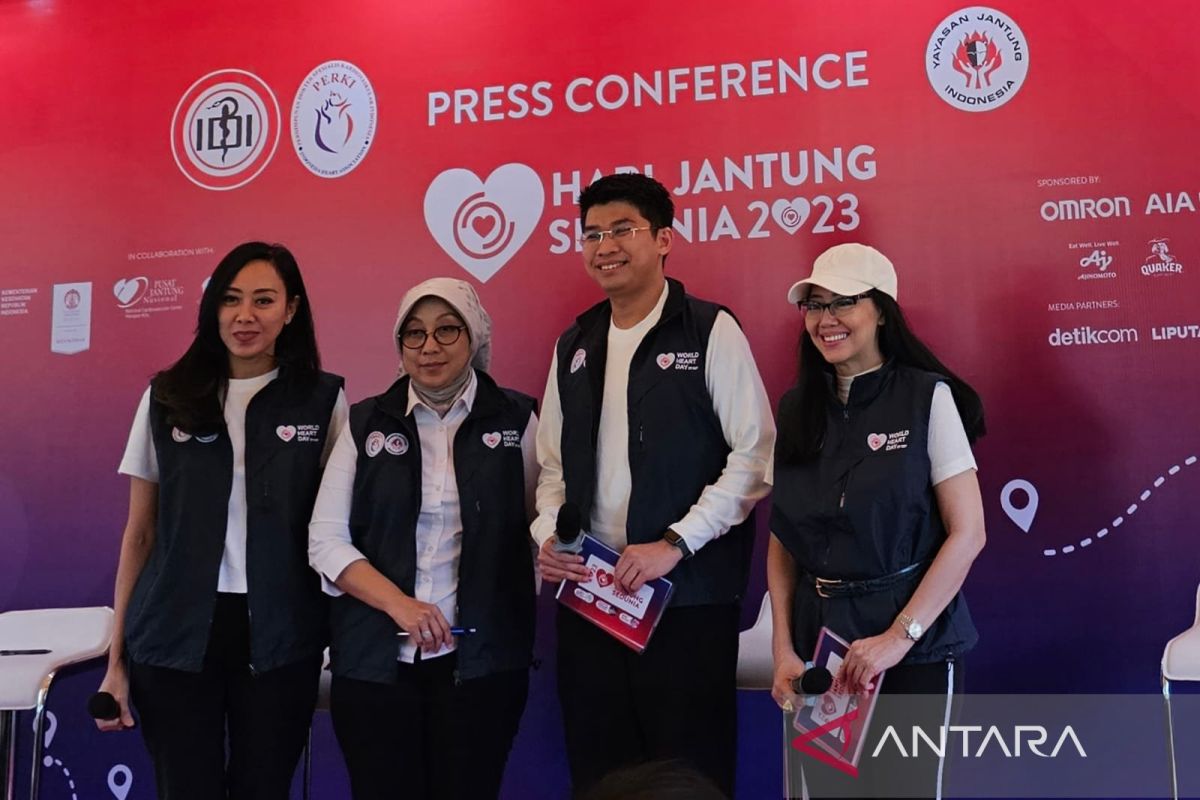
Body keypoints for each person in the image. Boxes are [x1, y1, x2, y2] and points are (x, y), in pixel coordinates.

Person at [533, 173, 775, 796]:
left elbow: (753, 457)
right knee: (601, 771)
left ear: (664, 239)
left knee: (687, 773)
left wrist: (675, 542)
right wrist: (549, 537)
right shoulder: (573, 345)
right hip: (592, 601)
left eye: (622, 230)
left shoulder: (709, 329)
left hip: (685, 600)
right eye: (591, 234)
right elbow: (553, 469)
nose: (604, 246)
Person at [96, 242, 348, 800]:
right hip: (175, 632)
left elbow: (335, 533)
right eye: (231, 299)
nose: (245, 315)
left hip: (282, 634)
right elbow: (140, 532)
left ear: (292, 309)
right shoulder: (167, 396)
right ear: (212, 309)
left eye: (264, 300)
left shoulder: (323, 401)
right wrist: (117, 660)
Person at [768, 243, 987, 798]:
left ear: (882, 310)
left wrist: (897, 638)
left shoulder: (925, 397)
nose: (826, 319)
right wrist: (783, 651)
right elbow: (784, 540)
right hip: (821, 644)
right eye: (815, 305)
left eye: (844, 302)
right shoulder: (795, 408)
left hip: (913, 642)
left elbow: (969, 533)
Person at [307, 278, 538, 800]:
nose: (429, 346)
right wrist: (401, 606)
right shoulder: (366, 421)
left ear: (474, 336)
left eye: (446, 330)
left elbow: (537, 531)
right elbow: (324, 540)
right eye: (414, 334)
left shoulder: (517, 420)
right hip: (373, 665)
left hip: (481, 667)